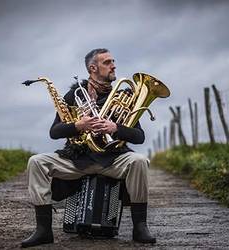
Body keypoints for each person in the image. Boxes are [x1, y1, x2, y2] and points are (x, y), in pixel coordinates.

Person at [21, 48, 155, 248]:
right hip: (78, 160)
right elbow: (54, 131)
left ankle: (140, 227)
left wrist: (115, 128)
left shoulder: (124, 96)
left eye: (113, 61)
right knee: (36, 162)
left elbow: (139, 136)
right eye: (108, 62)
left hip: (113, 159)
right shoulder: (75, 95)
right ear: (93, 68)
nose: (114, 66)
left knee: (139, 161)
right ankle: (43, 230)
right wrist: (78, 126)